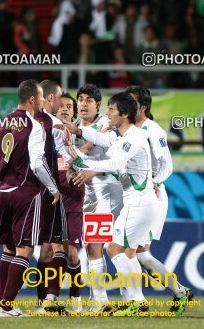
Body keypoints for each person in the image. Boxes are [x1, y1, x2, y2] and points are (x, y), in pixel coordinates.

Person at [66, 92, 159, 317]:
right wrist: (77, 131)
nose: (107, 114)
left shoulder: (134, 137)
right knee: (125, 251)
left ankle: (134, 299)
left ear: (124, 114)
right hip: (134, 201)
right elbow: (103, 140)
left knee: (113, 248)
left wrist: (80, 160)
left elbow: (114, 163)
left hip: (139, 201)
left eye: (111, 109)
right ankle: (135, 299)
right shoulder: (120, 135)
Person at [0, 79, 60, 317]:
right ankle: (6, 306)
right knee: (25, 249)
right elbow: (37, 163)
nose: (45, 101)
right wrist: (53, 187)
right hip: (27, 193)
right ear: (33, 100)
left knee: (9, 249)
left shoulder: (0, 123)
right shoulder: (34, 126)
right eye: (42, 97)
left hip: (4, 193)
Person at [125, 86, 193, 316]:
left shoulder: (153, 131)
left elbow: (167, 164)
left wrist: (154, 180)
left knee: (129, 251)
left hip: (150, 194)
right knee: (139, 254)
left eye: (131, 102)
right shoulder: (125, 129)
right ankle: (179, 291)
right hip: (131, 194)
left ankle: (135, 301)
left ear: (143, 107)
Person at [65, 83, 123, 313]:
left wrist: (77, 154)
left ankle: (101, 301)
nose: (83, 104)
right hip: (87, 192)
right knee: (94, 247)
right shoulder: (74, 126)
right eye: (80, 99)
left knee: (95, 246)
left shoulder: (106, 124)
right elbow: (72, 160)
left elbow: (109, 155)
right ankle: (99, 300)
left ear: (98, 105)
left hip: (107, 187)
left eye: (89, 100)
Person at [33, 80, 73, 313]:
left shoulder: (56, 125)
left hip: (54, 193)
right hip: (36, 192)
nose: (62, 103)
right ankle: (44, 300)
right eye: (59, 98)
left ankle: (49, 300)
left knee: (54, 247)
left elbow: (68, 153)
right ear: (50, 98)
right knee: (38, 248)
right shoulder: (29, 122)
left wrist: (75, 160)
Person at [54, 92, 86, 313]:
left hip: (73, 193)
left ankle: (76, 298)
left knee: (71, 251)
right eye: (62, 106)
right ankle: (50, 300)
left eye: (69, 106)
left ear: (74, 111)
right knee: (54, 250)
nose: (65, 109)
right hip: (52, 193)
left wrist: (75, 165)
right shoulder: (47, 131)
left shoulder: (81, 135)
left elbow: (94, 161)